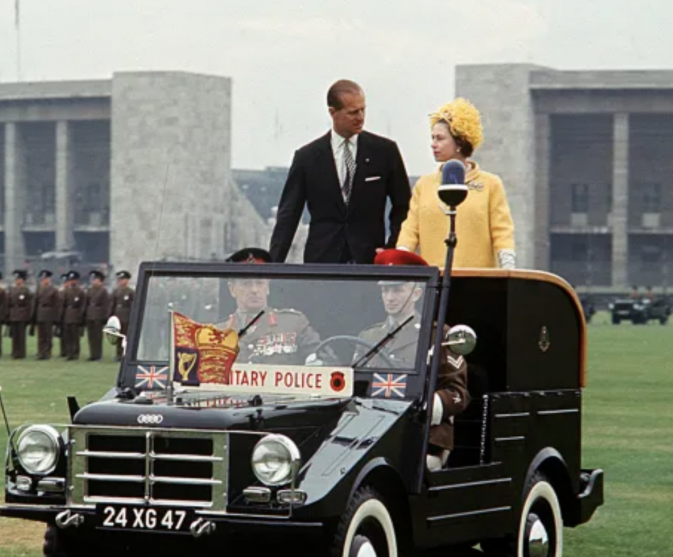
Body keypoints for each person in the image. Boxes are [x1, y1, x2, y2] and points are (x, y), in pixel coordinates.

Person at [269, 79, 411, 264]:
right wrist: (272, 267)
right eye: (353, 112)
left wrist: (391, 250)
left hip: (370, 261)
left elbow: (404, 207)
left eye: (363, 110)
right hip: (322, 261)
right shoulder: (307, 157)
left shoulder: (385, 151)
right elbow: (288, 215)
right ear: (332, 112)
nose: (360, 117)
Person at [365, 249, 470, 470]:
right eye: (385, 290)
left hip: (424, 437)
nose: (390, 297)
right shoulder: (369, 336)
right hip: (370, 433)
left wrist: (429, 408)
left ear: (416, 293)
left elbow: (458, 394)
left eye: (397, 290)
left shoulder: (439, 335)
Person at [396, 98, 516, 269]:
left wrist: (508, 266)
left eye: (440, 138)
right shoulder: (424, 185)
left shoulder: (490, 184)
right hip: (435, 281)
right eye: (432, 138)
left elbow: (502, 230)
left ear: (459, 142)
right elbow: (410, 229)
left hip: (478, 281)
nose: (433, 144)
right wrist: (400, 256)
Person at [217, 248, 320, 364]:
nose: (254, 290)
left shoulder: (293, 323)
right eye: (246, 284)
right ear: (232, 289)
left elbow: (325, 360)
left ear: (267, 287)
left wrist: (317, 364)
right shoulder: (216, 334)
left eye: (260, 283)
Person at [33, 269, 60, 361]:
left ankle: (47, 352)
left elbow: (56, 304)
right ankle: (41, 352)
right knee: (41, 335)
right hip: (40, 313)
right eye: (43, 278)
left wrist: (56, 317)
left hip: (49, 313)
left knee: (48, 335)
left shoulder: (53, 290)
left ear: (49, 279)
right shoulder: (39, 289)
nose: (44, 280)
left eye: (46, 278)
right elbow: (35, 302)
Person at [60, 271, 87, 361]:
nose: (72, 282)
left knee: (75, 336)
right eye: (71, 280)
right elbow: (63, 304)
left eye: (74, 280)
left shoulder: (80, 291)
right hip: (67, 315)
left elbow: (83, 304)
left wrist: (80, 315)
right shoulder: (66, 291)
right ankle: (69, 353)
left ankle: (75, 353)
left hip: (76, 315)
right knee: (68, 336)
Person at [7, 270, 34, 360]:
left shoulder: (25, 290)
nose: (17, 281)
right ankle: (15, 352)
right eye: (16, 279)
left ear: (22, 280)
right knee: (14, 335)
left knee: (21, 335)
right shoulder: (12, 289)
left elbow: (29, 304)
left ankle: (21, 353)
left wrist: (28, 316)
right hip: (14, 314)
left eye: (18, 279)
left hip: (22, 314)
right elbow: (9, 302)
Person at [85, 271, 111, 361]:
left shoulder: (103, 291)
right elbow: (86, 303)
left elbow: (106, 305)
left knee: (97, 337)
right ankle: (92, 354)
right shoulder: (90, 290)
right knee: (91, 337)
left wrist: (105, 317)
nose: (93, 282)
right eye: (93, 280)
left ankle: (98, 355)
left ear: (100, 281)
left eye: (95, 280)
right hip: (90, 315)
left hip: (98, 316)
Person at [110, 270, 135, 360]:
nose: (121, 281)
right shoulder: (116, 291)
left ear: (127, 280)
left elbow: (133, 305)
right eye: (120, 279)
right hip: (118, 316)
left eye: (123, 279)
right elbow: (112, 304)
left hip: (126, 316)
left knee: (126, 336)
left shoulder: (130, 292)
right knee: (118, 336)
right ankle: (118, 354)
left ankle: (126, 354)